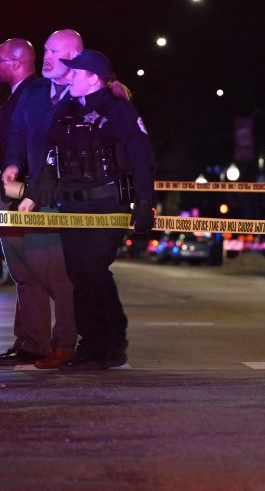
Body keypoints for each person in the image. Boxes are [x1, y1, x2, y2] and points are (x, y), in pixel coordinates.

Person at [16, 49, 156, 371]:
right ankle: (91, 346)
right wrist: (34, 193)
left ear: (94, 78)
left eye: (75, 73)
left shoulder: (118, 110)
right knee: (78, 275)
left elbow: (141, 158)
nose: (69, 78)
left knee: (93, 269)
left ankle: (112, 341)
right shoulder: (67, 109)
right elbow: (49, 155)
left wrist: (144, 202)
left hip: (107, 206)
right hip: (72, 206)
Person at [0, 31, 80, 369]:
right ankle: (33, 342)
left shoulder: (82, 93)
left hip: (60, 198)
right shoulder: (33, 93)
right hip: (26, 194)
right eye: (45, 50)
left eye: (54, 52)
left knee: (57, 276)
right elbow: (17, 133)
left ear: (74, 57)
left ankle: (65, 344)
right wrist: (13, 163)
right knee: (25, 271)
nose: (46, 58)